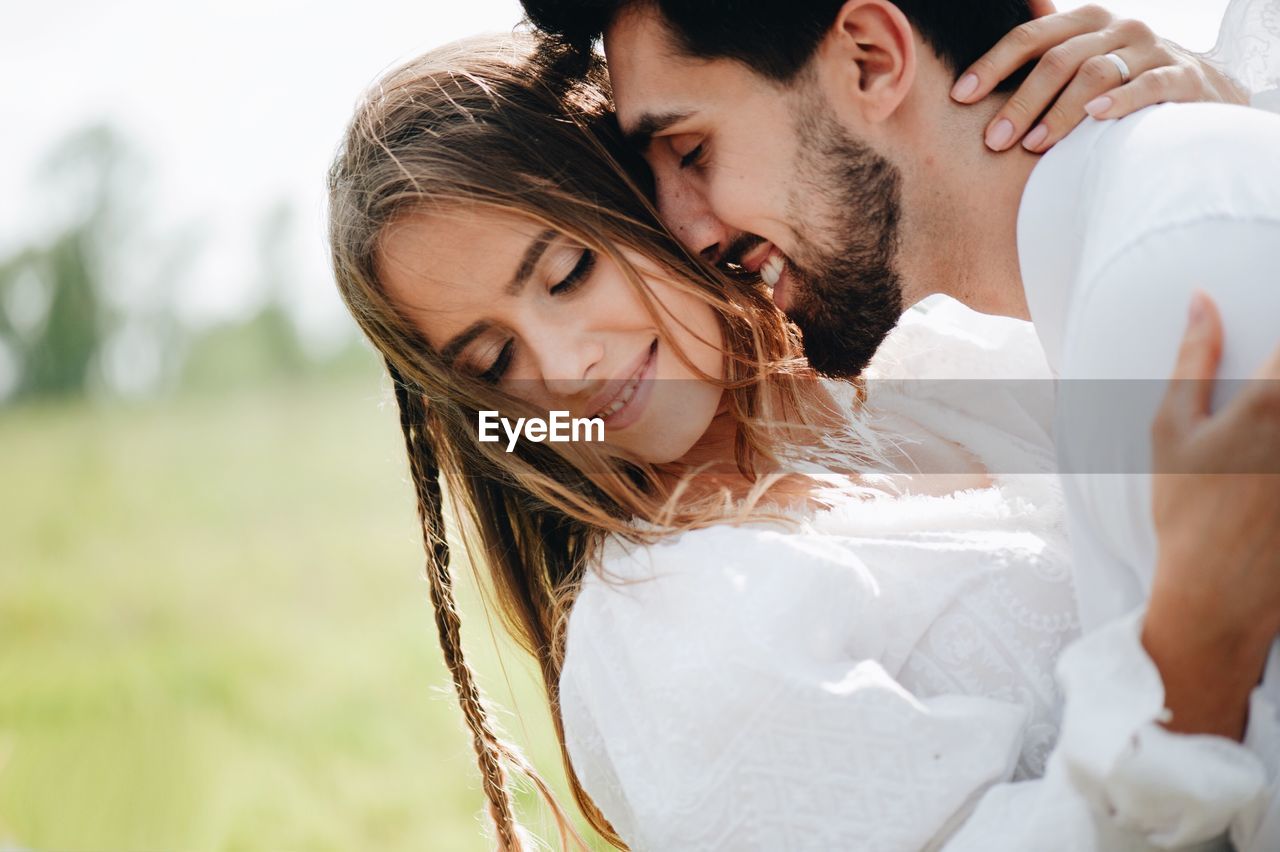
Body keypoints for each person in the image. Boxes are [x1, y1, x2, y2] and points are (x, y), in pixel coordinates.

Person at [327, 22, 1280, 852]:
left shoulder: (927, 360)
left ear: (653, 196)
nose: (563, 367)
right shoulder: (677, 635)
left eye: (570, 271)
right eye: (493, 362)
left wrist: (1180, 133)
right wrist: (1193, 659)